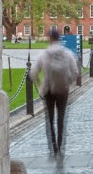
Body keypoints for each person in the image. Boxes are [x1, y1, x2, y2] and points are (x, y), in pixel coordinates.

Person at [33, 27, 80, 156]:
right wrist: (67, 82)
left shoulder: (43, 54)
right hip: (63, 90)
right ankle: (60, 146)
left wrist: (41, 84)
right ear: (59, 38)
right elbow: (75, 72)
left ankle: (53, 147)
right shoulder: (67, 53)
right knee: (61, 118)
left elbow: (33, 73)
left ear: (49, 39)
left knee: (50, 120)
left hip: (48, 90)